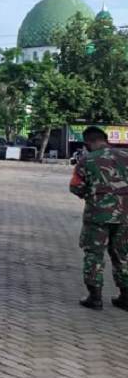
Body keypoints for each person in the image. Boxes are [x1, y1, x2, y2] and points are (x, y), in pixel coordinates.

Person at [69, 126, 128, 311]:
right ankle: (125, 297)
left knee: (94, 254)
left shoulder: (86, 160)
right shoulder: (126, 156)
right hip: (125, 216)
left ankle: (95, 298)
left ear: (88, 143)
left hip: (97, 215)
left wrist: (92, 195)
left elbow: (75, 186)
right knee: (122, 255)